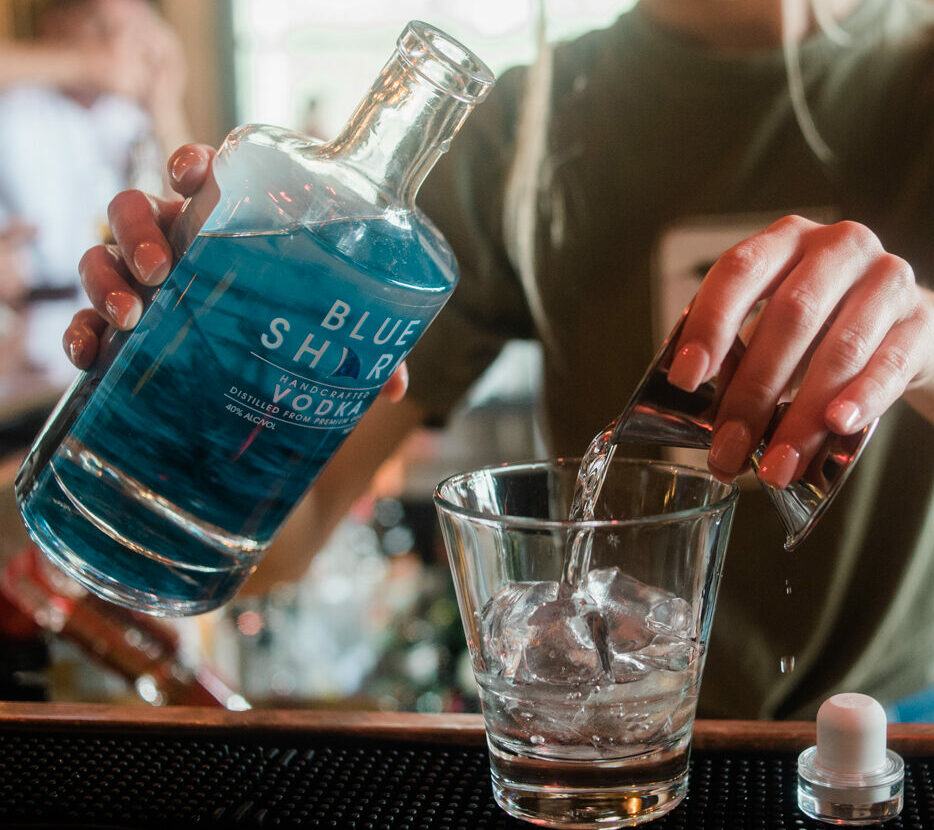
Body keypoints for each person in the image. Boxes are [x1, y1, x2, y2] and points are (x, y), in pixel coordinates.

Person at [65, 0, 934, 720]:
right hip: (605, 742)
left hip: (897, 732)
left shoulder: (916, 78)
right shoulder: (527, 125)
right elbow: (290, 533)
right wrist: (180, 383)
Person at [0, 0, 189, 299]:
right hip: (27, 325)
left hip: (123, 320)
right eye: (99, 26)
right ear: (56, 25)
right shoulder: (15, 106)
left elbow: (186, 219)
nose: (115, 44)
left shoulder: (137, 117)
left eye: (130, 30)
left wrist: (165, 106)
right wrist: (84, 64)